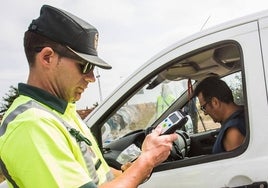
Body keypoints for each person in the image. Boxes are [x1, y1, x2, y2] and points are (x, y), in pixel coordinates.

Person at [0, 5, 178, 188]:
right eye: (85, 66)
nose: (91, 78)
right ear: (47, 58)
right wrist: (146, 161)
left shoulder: (61, 112)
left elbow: (101, 176)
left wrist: (137, 165)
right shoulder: (32, 124)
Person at [193, 76, 246, 154]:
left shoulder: (233, 132)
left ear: (215, 102)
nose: (205, 113)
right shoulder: (243, 114)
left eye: (204, 107)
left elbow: (235, 165)